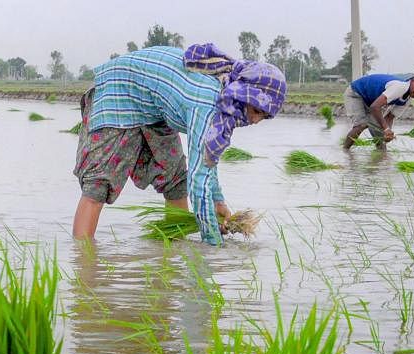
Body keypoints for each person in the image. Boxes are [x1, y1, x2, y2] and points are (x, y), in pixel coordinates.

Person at [72, 44, 285, 246]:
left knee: (176, 182)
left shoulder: (225, 98)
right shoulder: (208, 104)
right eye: (256, 110)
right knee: (98, 185)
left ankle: (173, 249)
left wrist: (217, 201)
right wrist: (212, 241)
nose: (255, 121)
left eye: (263, 116)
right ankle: (83, 262)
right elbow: (199, 181)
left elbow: (207, 156)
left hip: (155, 106)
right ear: (243, 93)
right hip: (119, 89)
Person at [342, 72, 414, 148]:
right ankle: (345, 151)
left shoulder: (408, 99)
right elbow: (375, 107)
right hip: (356, 93)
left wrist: (388, 133)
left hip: (370, 101)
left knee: (380, 137)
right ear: (413, 80)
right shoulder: (400, 87)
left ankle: (382, 161)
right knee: (361, 124)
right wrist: (386, 129)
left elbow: (390, 117)